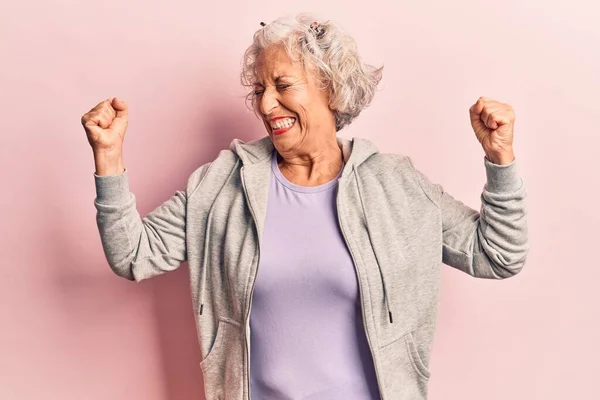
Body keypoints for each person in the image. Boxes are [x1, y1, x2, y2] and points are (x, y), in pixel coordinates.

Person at [81, 13, 529, 400]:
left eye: (282, 85)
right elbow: (133, 255)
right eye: (259, 88)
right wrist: (109, 159)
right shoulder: (222, 183)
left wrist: (500, 158)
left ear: (331, 90)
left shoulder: (396, 185)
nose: (265, 102)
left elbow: (499, 255)